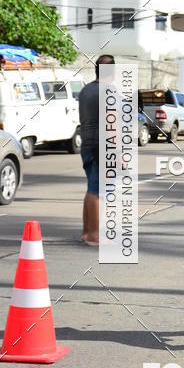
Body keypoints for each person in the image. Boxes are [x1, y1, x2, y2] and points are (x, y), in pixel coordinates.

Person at [78, 54, 115, 245]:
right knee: (98, 190)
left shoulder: (86, 90)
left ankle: (87, 231)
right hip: (102, 146)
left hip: (87, 144)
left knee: (91, 188)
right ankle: (93, 234)